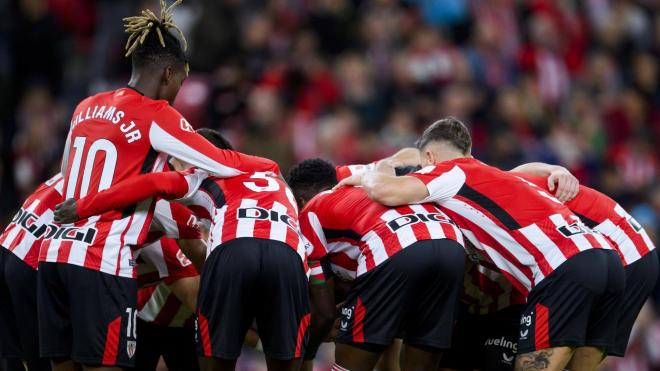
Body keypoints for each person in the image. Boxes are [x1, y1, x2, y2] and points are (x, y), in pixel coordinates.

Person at [40, 2, 277, 370]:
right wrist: (270, 165)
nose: (178, 93)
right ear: (168, 72)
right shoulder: (156, 114)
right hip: (102, 259)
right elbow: (218, 160)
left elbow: (69, 174)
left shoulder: (86, 105)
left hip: (54, 254)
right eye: (181, 82)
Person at [337, 117, 625, 371]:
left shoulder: (449, 171)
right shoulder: (486, 174)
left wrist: (371, 172)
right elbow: (524, 170)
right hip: (607, 258)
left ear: (430, 157)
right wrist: (553, 167)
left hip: (564, 266)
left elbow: (385, 191)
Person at [54, 129, 310, 371]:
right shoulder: (270, 171)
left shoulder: (197, 176)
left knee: (217, 361)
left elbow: (149, 183)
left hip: (232, 250)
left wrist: (83, 206)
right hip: (287, 254)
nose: (171, 167)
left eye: (177, 160)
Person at [288, 158, 466, 371]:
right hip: (451, 243)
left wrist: (308, 352)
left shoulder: (309, 212)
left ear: (299, 201)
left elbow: (324, 313)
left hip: (394, 245)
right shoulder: (372, 187)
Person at [510, 166, 658, 358]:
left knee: (572, 353)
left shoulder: (498, 187)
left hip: (627, 255)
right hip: (619, 254)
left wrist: (554, 168)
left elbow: (510, 174)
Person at [0, 173, 64, 371]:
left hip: (7, 244)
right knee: (42, 360)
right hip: (30, 261)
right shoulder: (106, 180)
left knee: (18, 358)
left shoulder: (70, 167)